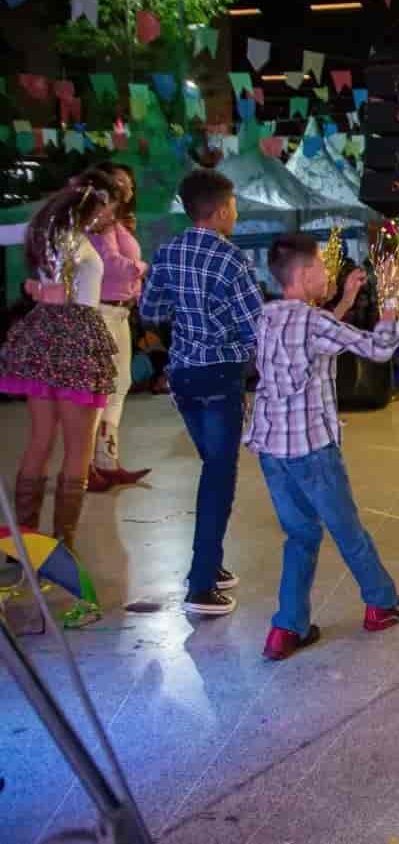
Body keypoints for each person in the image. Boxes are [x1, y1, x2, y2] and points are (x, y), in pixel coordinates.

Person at [244, 234, 399, 661]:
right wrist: (392, 302)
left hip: (271, 450)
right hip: (312, 451)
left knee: (300, 535)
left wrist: (344, 301)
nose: (329, 273)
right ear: (304, 274)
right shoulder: (313, 323)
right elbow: (378, 349)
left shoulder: (265, 316)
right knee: (348, 532)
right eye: (323, 268)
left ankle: (286, 629)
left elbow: (312, 342)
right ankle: (381, 604)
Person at [139, 169, 261, 617]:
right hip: (220, 375)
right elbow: (255, 326)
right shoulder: (233, 260)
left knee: (212, 466)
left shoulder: (167, 252)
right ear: (223, 208)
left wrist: (186, 316)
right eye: (234, 206)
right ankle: (201, 585)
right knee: (218, 476)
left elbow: (150, 311)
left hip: (184, 376)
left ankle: (211, 562)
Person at [0, 173, 120, 555]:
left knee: (39, 440)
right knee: (78, 448)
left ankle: (26, 538)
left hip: (42, 337)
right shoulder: (73, 240)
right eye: (108, 207)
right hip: (77, 340)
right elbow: (64, 292)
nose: (110, 215)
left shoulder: (44, 230)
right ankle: (62, 546)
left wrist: (36, 289)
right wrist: (44, 290)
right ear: (96, 205)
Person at [86, 162, 151, 490]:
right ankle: (84, 467)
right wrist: (142, 267)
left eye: (130, 184)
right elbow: (110, 265)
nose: (127, 188)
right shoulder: (100, 223)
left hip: (120, 312)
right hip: (102, 312)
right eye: (120, 182)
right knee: (100, 390)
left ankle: (106, 460)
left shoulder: (118, 223)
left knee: (119, 385)